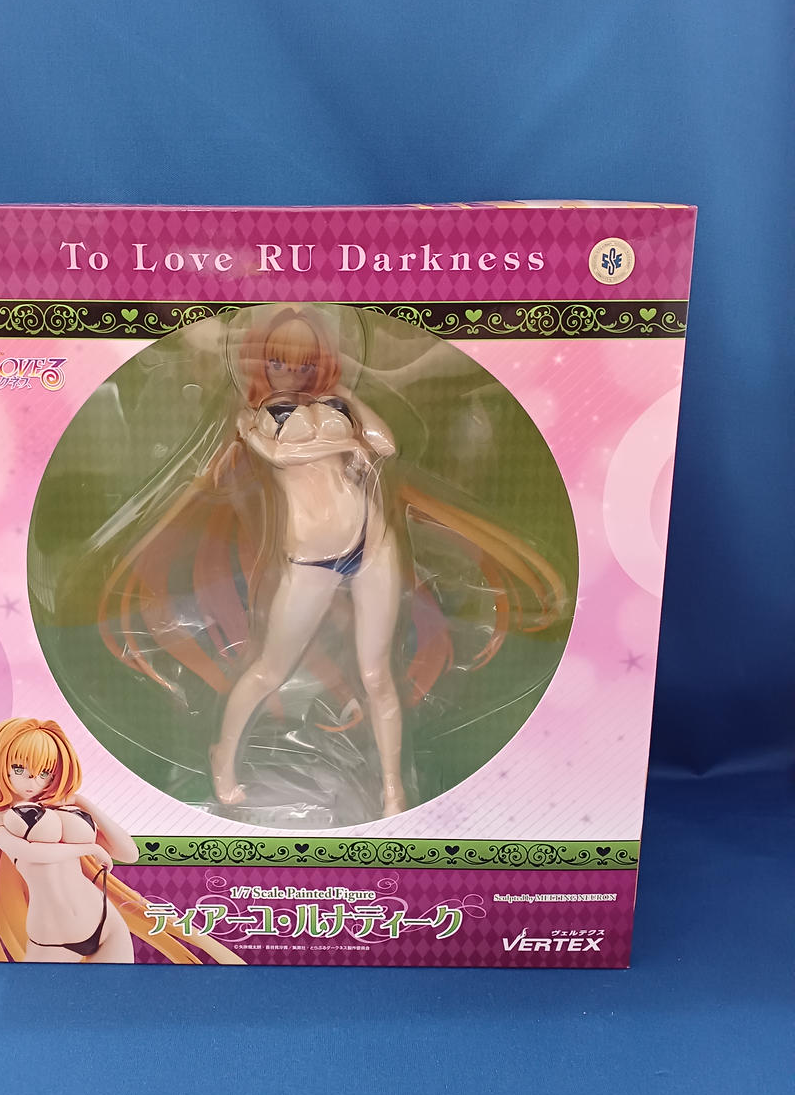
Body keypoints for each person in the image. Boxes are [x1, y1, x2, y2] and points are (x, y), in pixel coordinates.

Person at [100, 305, 567, 819]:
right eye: (278, 361)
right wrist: (344, 440)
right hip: (310, 558)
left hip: (373, 545)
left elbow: (386, 445)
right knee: (270, 669)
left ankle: (393, 788)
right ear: (260, 361)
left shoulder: (335, 404)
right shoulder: (256, 417)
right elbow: (280, 456)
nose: (291, 372)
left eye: (305, 363)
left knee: (377, 674)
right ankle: (223, 758)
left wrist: (348, 397)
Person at [0, 717, 243, 963]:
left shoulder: (63, 806)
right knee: (42, 1001)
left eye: (44, 772)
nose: (33, 781)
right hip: (52, 936)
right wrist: (89, 848)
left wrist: (85, 804)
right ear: (0, 763)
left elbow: (129, 853)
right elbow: (25, 851)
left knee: (118, 998)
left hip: (105, 920)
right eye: (19, 768)